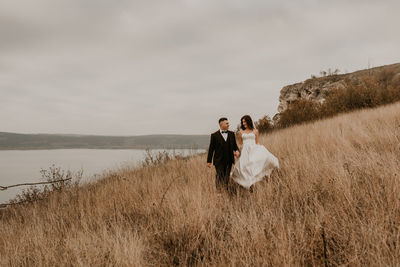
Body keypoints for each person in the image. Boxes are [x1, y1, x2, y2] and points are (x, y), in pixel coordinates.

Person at [231, 115, 279, 189]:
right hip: (245, 150)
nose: (243, 123)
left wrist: (261, 148)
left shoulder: (255, 131)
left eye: (245, 121)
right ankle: (247, 184)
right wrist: (238, 151)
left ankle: (254, 183)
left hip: (254, 149)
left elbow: (257, 142)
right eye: (242, 122)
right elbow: (240, 143)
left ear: (249, 121)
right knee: (244, 167)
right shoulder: (241, 132)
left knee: (254, 165)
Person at [207, 117, 240, 192]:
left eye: (228, 123)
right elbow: (211, 149)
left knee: (227, 177)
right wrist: (209, 161)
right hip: (219, 160)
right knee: (219, 176)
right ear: (221, 124)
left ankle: (225, 191)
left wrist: (237, 151)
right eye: (227, 123)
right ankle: (219, 193)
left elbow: (235, 145)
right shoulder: (214, 135)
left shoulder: (232, 134)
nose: (228, 124)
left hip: (229, 160)